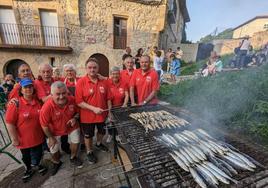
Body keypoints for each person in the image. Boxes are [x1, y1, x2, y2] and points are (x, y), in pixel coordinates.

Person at [5, 78, 47, 182]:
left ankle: (38, 165)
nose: (28, 89)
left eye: (30, 86)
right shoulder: (15, 104)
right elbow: (10, 122)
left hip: (38, 137)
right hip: (24, 139)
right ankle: (28, 169)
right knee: (26, 157)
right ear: (21, 90)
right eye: (26, 87)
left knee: (39, 153)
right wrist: (14, 139)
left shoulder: (37, 102)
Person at [40, 81, 82, 175]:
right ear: (51, 95)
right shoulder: (46, 107)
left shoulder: (72, 99)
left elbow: (78, 112)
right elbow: (44, 125)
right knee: (53, 149)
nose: (61, 96)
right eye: (58, 94)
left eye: (64, 93)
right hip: (54, 131)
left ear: (67, 92)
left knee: (76, 140)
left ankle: (73, 157)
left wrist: (75, 118)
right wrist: (50, 138)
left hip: (71, 127)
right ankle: (56, 162)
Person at [75, 58, 112, 164]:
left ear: (98, 68)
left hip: (102, 115)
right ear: (86, 69)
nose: (92, 70)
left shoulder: (104, 81)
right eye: (90, 67)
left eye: (94, 67)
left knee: (101, 132)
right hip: (87, 117)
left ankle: (99, 143)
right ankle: (89, 151)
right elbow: (79, 102)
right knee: (88, 135)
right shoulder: (81, 82)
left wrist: (109, 112)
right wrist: (93, 109)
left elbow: (108, 98)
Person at [106, 66, 129, 143]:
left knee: (119, 122)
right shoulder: (108, 83)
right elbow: (108, 98)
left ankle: (117, 135)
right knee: (110, 122)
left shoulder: (124, 83)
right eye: (113, 74)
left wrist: (125, 104)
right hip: (110, 106)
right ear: (110, 75)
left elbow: (127, 95)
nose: (115, 76)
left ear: (120, 74)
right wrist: (109, 111)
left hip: (120, 107)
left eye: (117, 74)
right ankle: (110, 135)